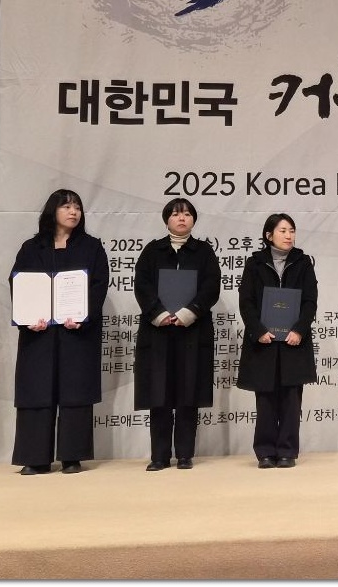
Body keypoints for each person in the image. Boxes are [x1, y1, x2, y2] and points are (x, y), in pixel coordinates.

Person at [10, 189, 109, 475]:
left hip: (76, 332)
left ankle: (72, 456)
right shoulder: (32, 247)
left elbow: (99, 286)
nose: (73, 212)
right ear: (52, 211)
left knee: (75, 390)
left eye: (77, 207)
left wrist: (83, 318)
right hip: (39, 333)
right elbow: (19, 284)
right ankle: (35, 458)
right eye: (66, 206)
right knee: (36, 390)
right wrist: (28, 318)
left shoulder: (91, 247)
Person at [133, 198, 220, 471]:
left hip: (192, 331)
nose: (181, 218)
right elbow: (142, 285)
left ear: (193, 219)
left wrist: (188, 312)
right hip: (158, 331)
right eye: (175, 214)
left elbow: (211, 287)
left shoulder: (204, 252)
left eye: (187, 214)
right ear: (166, 219)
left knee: (187, 393)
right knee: (158, 393)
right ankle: (159, 456)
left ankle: (184, 454)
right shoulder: (152, 251)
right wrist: (158, 313)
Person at [237, 214, 318, 469]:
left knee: (292, 400)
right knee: (266, 399)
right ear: (269, 235)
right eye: (283, 230)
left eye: (291, 230)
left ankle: (287, 451)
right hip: (264, 341)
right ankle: (265, 452)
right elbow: (246, 301)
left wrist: (299, 330)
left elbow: (310, 301)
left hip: (294, 341)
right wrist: (258, 330)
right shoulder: (255, 263)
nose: (288, 235)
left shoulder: (303, 263)